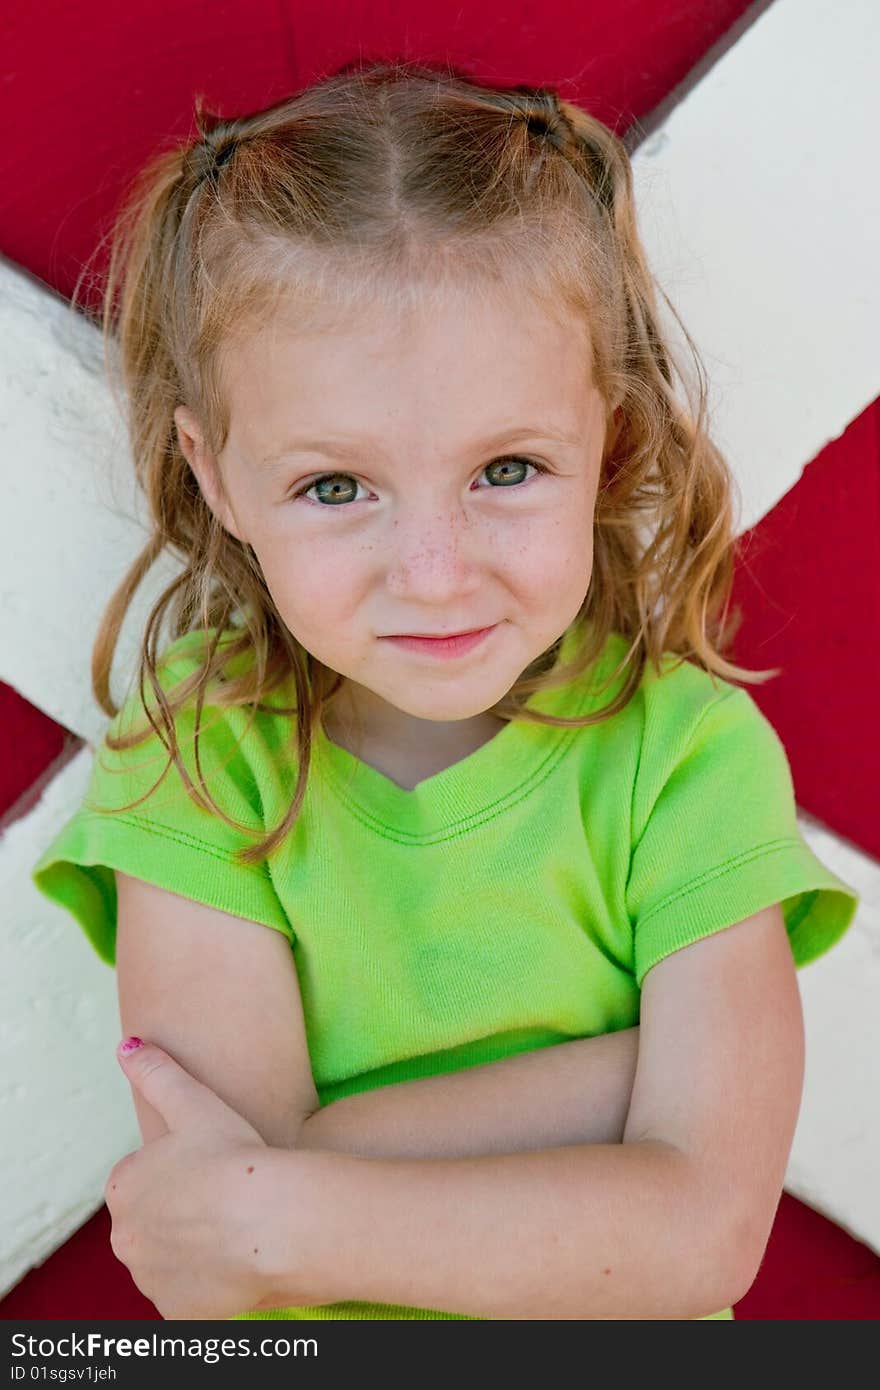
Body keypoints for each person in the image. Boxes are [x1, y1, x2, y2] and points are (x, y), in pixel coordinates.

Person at [31, 56, 859, 1322]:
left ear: (611, 440)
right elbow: (225, 1235)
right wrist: (627, 1087)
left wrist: (286, 1198)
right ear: (217, 477)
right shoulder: (201, 758)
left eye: (508, 468)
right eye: (335, 487)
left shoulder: (685, 755)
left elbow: (697, 1241)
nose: (434, 572)